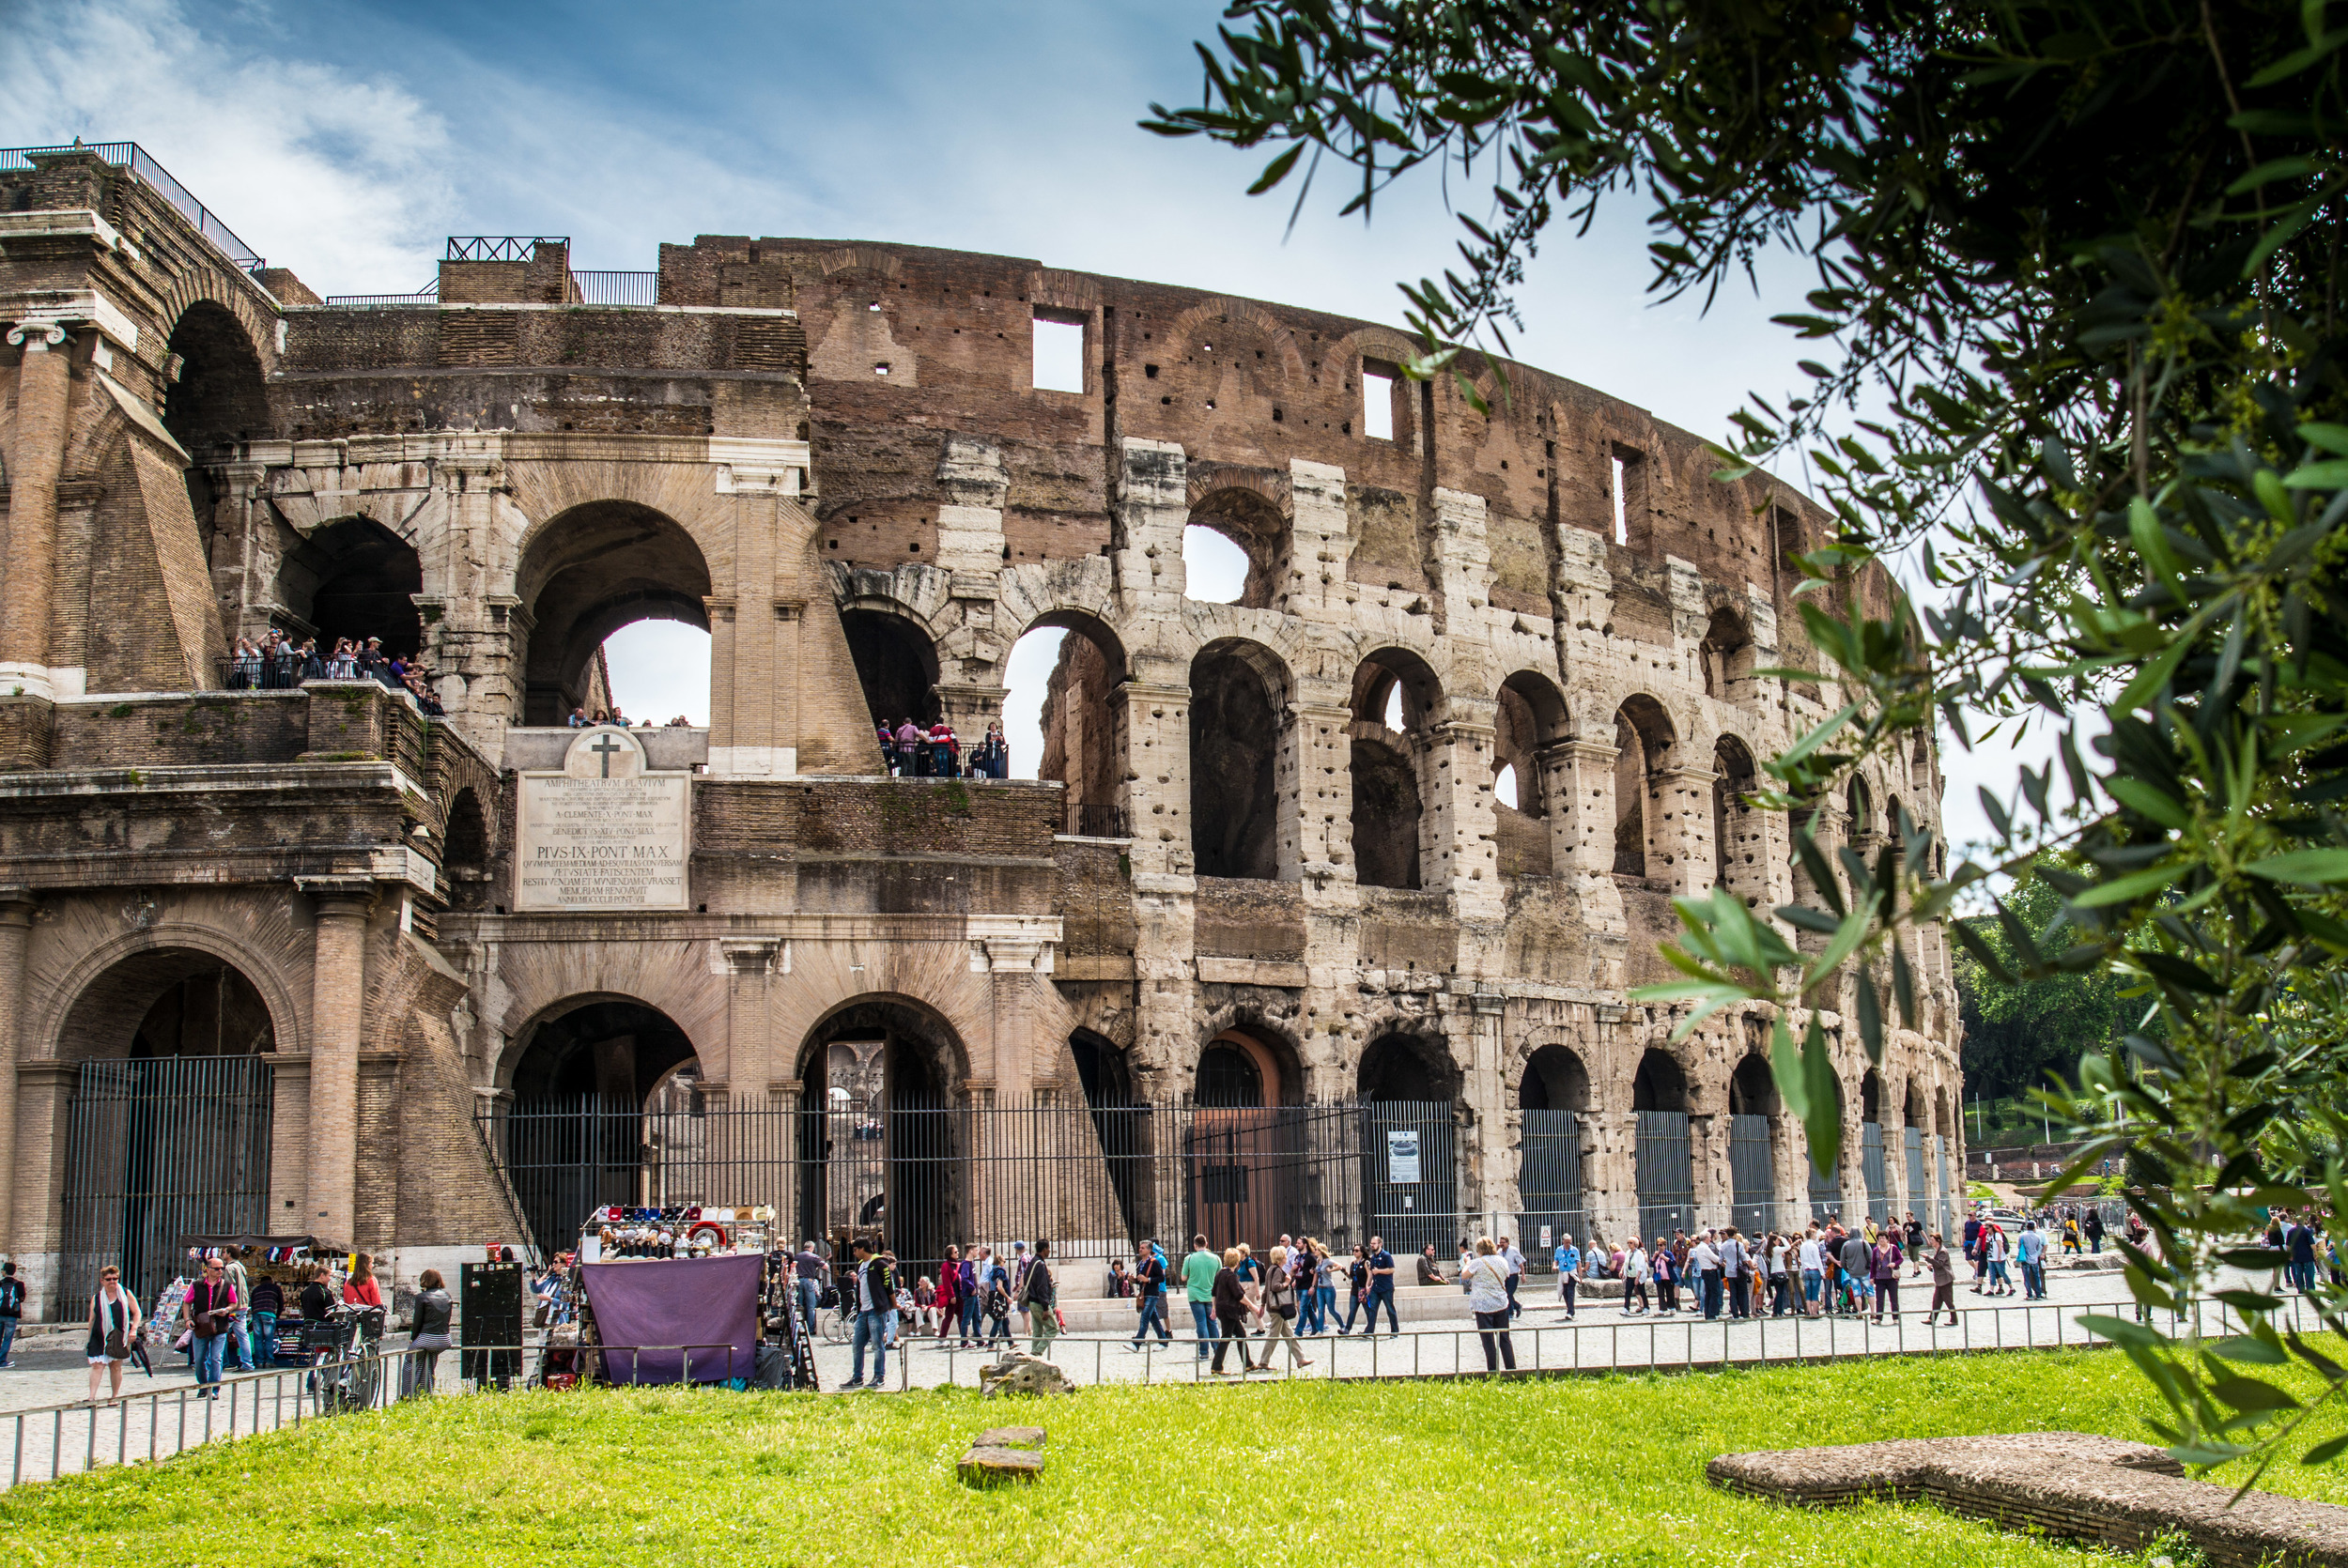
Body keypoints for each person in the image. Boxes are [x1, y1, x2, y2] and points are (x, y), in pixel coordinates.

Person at [841, 1237, 895, 1391]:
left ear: (863, 1249)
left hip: (876, 1310)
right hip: (863, 1312)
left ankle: (879, 1376)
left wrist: (892, 1304)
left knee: (877, 1345)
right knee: (857, 1344)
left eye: (855, 1249)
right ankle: (857, 1377)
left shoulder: (879, 1263)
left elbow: (888, 1284)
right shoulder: (861, 1265)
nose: (854, 1252)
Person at [85, 1264, 141, 1404]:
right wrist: (89, 1338)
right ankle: (91, 1397)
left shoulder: (125, 1293)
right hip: (99, 1335)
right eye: (109, 1279)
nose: (112, 1282)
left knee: (115, 1366)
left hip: (118, 1335)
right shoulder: (97, 1298)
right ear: (102, 1281)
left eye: (115, 1279)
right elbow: (92, 1318)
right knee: (97, 1365)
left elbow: (137, 1312)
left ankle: (114, 1396)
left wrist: (133, 1329)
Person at [188, 1255, 238, 1399]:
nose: (220, 1271)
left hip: (220, 1327)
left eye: (222, 1268)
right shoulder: (197, 1285)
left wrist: (227, 1310)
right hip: (201, 1327)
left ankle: (214, 1389)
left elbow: (233, 1303)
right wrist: (186, 1319)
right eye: (217, 1269)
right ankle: (203, 1385)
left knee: (216, 1358)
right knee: (199, 1360)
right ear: (207, 1270)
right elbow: (187, 1302)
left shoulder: (227, 1285)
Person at [1463, 1237, 1517, 1373]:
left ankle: (1493, 1371)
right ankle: (1511, 1369)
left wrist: (1466, 1263)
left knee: (1488, 1341)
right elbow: (1506, 1275)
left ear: (1479, 1250)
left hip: (1483, 1305)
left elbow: (1464, 1275)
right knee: (1504, 1338)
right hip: (1500, 1303)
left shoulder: (1477, 1263)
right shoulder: (1502, 1261)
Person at [1256, 1247, 1312, 1370]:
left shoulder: (1271, 1269)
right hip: (1278, 1308)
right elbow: (1275, 1287)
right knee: (1273, 1336)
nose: (1287, 1257)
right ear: (1282, 1257)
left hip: (1274, 1307)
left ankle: (1300, 1359)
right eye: (1285, 1255)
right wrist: (1287, 1283)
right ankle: (1263, 1362)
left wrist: (1263, 1305)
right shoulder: (1277, 1270)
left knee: (1289, 1334)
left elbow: (1266, 1290)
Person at [405, 1268, 453, 1398]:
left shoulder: (422, 1297)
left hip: (427, 1338)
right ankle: (426, 1393)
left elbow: (417, 1321)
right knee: (429, 1362)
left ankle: (408, 1394)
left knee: (411, 1361)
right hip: (445, 1338)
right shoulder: (447, 1296)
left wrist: (413, 1339)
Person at [1130, 1239, 1173, 1349]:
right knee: (1154, 1320)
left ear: (1149, 1250)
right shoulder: (1140, 1263)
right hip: (1145, 1294)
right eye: (1140, 1248)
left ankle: (1137, 1343)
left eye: (1143, 1248)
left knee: (1144, 1317)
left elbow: (1161, 1278)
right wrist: (1133, 1280)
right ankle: (1163, 1342)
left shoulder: (1154, 1262)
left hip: (1153, 1294)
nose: (1140, 1249)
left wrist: (1148, 1279)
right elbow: (1141, 1280)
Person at [1022, 1239, 1059, 1358]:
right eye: (1048, 1248)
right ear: (1044, 1249)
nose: (1049, 1251)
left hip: (1031, 1301)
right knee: (1053, 1328)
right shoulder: (1041, 1265)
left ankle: (1033, 1358)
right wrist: (1045, 1307)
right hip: (1039, 1302)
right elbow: (1041, 1287)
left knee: (1037, 1331)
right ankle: (1036, 1352)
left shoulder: (1032, 1262)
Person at [1360, 1235, 1398, 1336]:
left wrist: (1379, 1271)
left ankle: (1394, 1331)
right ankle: (1369, 1331)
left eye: (1374, 1243)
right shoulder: (1373, 1258)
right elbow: (1372, 1272)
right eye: (1371, 1243)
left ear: (1380, 1244)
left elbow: (1392, 1269)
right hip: (1375, 1288)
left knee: (1390, 1309)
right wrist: (1367, 1285)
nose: (1372, 1245)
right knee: (1372, 1310)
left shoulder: (1386, 1256)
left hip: (1386, 1288)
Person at [222, 1250, 254, 1372]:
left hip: (233, 1307)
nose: (222, 1254)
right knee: (242, 1335)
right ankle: (247, 1363)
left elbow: (230, 1288)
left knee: (220, 1333)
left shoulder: (229, 1268)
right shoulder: (240, 1267)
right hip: (243, 1305)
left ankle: (221, 1362)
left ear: (229, 1254)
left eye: (224, 1252)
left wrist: (228, 1306)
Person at [248, 1270, 284, 1368]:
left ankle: (259, 1362)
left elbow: (252, 1303)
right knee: (269, 1339)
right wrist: (278, 1315)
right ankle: (269, 1361)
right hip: (268, 1314)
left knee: (258, 1339)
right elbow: (281, 1303)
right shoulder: (276, 1288)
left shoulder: (256, 1289)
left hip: (256, 1314)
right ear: (271, 1281)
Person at [794, 1239, 827, 1335]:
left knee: (799, 1305)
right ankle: (811, 1328)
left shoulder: (797, 1256)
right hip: (809, 1281)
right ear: (812, 1248)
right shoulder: (813, 1256)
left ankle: (799, 1328)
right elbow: (825, 1266)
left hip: (798, 1281)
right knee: (811, 1306)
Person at [1869, 1231, 1903, 1323]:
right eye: (1880, 1238)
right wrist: (1872, 1277)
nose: (1882, 1240)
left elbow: (1901, 1259)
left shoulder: (1893, 1248)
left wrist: (1894, 1263)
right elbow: (1873, 1264)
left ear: (1887, 1239)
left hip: (1891, 1277)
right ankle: (1878, 1318)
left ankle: (1895, 1318)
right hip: (1879, 1278)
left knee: (1894, 1298)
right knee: (1879, 1299)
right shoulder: (1876, 1250)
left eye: (1883, 1238)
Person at [1926, 1232, 1958, 1325]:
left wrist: (1928, 1258)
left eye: (1932, 1240)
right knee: (1936, 1301)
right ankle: (1932, 1319)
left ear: (1938, 1241)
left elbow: (1939, 1264)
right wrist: (1931, 1267)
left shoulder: (1942, 1251)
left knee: (1948, 1301)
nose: (1931, 1242)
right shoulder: (1938, 1250)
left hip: (1946, 1280)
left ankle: (1954, 1320)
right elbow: (1938, 1264)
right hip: (1941, 1280)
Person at [2016, 1220, 2047, 1300]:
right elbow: (2039, 1247)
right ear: (2034, 1228)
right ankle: (2038, 1294)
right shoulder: (2037, 1237)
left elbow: (2019, 1246)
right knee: (2037, 1277)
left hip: (2025, 1259)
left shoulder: (2022, 1236)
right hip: (2034, 1259)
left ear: (2027, 1227)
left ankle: (2029, 1295)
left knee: (2027, 1278)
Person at [0, 1259, 23, 1369]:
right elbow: (21, 1298)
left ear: (4, 1272)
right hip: (12, 1315)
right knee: (7, 1339)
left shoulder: (0, 1283)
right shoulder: (19, 1284)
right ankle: (2, 1361)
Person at [1554, 1233, 1582, 1318]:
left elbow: (1578, 1263)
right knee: (1564, 1292)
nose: (1568, 1244)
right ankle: (1570, 1309)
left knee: (1570, 1291)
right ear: (1563, 1241)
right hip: (1563, 1273)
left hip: (1572, 1273)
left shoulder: (1575, 1250)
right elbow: (1556, 1260)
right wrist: (1554, 1266)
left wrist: (1580, 1276)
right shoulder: (1559, 1250)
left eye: (1569, 1242)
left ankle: (1570, 1312)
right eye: (1566, 1242)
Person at [1621, 1238, 1650, 1314]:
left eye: (1631, 1243)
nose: (1629, 1244)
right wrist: (1624, 1273)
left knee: (1642, 1292)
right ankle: (1626, 1308)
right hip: (1630, 1276)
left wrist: (1638, 1277)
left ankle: (1646, 1307)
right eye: (1628, 1243)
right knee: (1628, 1292)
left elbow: (1641, 1265)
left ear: (1635, 1244)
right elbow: (1626, 1263)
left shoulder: (1639, 1253)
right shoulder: (1628, 1253)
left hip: (1637, 1276)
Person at [1500, 1235, 1526, 1318]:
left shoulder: (1513, 1250)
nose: (1501, 1244)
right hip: (1504, 1276)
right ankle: (1517, 1306)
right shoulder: (1499, 1252)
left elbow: (1521, 1264)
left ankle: (1510, 1312)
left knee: (1509, 1293)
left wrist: (1523, 1275)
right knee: (1506, 1294)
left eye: (1503, 1242)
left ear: (1508, 1243)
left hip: (1513, 1276)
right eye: (1500, 1243)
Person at [1652, 1236, 1678, 1314]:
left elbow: (1673, 1262)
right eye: (1658, 1245)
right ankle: (1662, 1309)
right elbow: (1651, 1264)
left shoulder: (1668, 1253)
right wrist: (1653, 1257)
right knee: (1660, 1293)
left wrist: (1665, 1258)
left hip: (1668, 1277)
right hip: (1659, 1277)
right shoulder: (1657, 1254)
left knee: (1670, 1293)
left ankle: (1672, 1307)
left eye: (1661, 1245)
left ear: (1664, 1245)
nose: (1659, 1247)